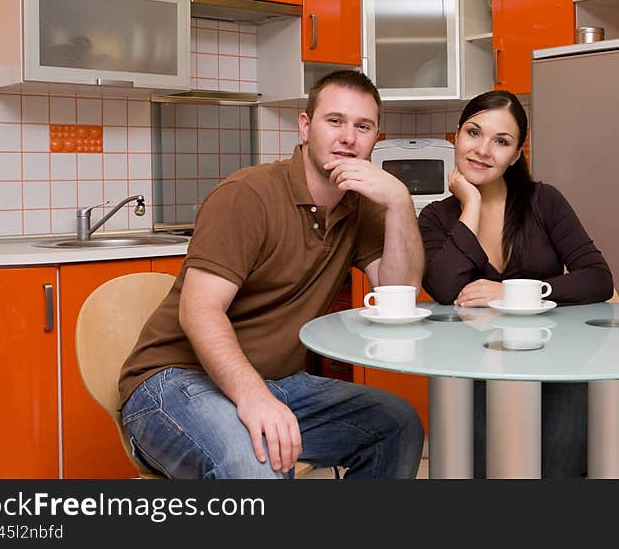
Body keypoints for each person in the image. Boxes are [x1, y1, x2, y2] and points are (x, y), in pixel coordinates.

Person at [119, 70, 425, 479]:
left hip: (276, 381)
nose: (348, 137)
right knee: (258, 460)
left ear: (375, 139)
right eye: (334, 121)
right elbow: (200, 311)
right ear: (305, 127)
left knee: (397, 425)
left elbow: (398, 294)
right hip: (172, 382)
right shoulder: (247, 196)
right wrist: (253, 397)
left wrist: (400, 203)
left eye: (362, 126)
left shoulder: (362, 207)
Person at [417, 89, 614, 479]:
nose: (483, 150)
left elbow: (598, 278)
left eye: (501, 142)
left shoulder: (543, 201)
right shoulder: (437, 217)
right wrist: (470, 206)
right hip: (473, 373)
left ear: (516, 153)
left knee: (560, 474)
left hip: (557, 367)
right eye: (474, 133)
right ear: (456, 135)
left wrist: (514, 292)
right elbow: (442, 287)